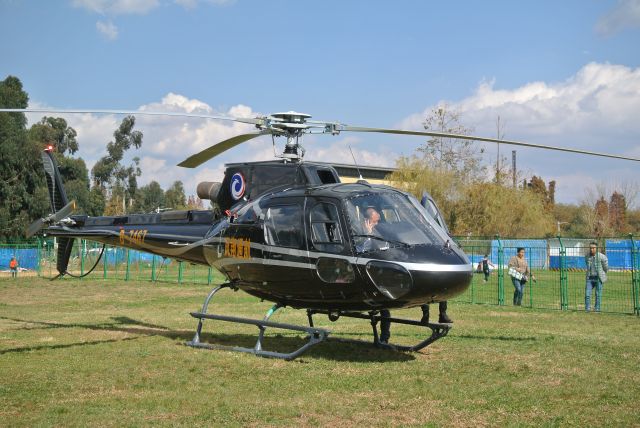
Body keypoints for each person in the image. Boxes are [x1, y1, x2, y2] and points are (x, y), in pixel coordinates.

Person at [585, 241, 608, 312]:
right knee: (587, 294)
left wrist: (602, 273)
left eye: (593, 248)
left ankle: (597, 309)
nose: (592, 249)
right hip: (590, 278)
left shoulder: (602, 256)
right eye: (590, 248)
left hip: (598, 278)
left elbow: (605, 267)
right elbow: (587, 265)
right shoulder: (587, 256)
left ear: (597, 248)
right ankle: (587, 308)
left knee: (598, 294)